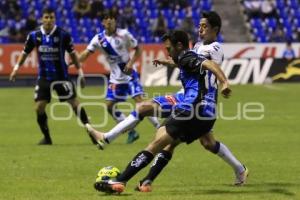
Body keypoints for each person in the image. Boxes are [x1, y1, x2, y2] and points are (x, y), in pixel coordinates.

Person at [87, 11, 248, 191]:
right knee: (199, 142)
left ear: (215, 29)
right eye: (199, 25)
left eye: (204, 26)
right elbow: (187, 62)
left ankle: (116, 161)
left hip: (193, 101)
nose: (200, 29)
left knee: (154, 130)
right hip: (200, 103)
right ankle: (146, 180)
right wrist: (169, 62)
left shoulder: (214, 48)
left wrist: (224, 81)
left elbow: (207, 64)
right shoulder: (196, 47)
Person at [9, 7, 95, 145]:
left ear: (55, 19)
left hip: (62, 76)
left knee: (74, 104)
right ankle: (47, 138)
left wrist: (81, 72)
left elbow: (73, 54)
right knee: (39, 107)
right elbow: (25, 53)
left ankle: (92, 133)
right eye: (46, 17)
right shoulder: (34, 35)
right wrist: (16, 68)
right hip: (44, 77)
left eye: (51, 18)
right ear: (42, 19)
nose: (49, 20)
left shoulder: (63, 35)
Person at [77, 10, 160, 144]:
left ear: (115, 21)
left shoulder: (124, 34)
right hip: (115, 78)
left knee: (141, 102)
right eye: (106, 18)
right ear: (103, 22)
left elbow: (138, 48)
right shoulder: (98, 39)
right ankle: (131, 132)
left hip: (129, 75)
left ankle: (159, 128)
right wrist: (73, 61)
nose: (109, 20)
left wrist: (131, 62)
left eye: (112, 18)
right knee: (109, 106)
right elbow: (86, 54)